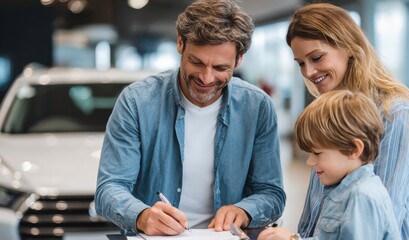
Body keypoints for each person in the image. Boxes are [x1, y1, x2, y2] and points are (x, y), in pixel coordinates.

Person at [95, 0, 286, 236]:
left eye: (220, 68)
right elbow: (108, 189)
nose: (206, 78)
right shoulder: (137, 102)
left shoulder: (257, 108)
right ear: (180, 43)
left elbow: (272, 193)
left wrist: (245, 210)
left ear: (239, 60)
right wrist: (142, 216)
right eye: (196, 62)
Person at [284, 3, 409, 239]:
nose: (308, 72)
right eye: (301, 63)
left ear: (349, 47)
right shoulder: (328, 111)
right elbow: (315, 214)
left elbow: (378, 222)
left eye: (317, 57)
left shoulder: (395, 113)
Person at [258, 90, 401, 240]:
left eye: (317, 153)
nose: (310, 162)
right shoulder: (345, 188)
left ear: (354, 149)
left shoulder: (362, 197)